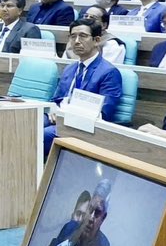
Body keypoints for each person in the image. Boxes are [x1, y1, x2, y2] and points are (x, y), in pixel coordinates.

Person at [44, 19, 125, 152]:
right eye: (73, 36)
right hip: (61, 118)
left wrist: (69, 114)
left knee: (42, 134)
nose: (76, 41)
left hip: (84, 125)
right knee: (30, 124)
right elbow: (57, 98)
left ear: (97, 40)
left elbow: (105, 113)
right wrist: (53, 109)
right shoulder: (70, 68)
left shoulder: (109, 72)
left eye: (83, 36)